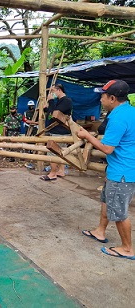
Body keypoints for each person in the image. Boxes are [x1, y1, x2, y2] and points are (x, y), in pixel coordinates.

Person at [78, 80, 135, 260]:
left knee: (119, 212)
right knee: (106, 200)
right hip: (119, 168)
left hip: (123, 172)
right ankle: (100, 231)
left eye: (102, 96)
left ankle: (127, 248)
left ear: (112, 98)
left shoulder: (118, 118)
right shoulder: (130, 111)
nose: (100, 100)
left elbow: (107, 148)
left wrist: (87, 135)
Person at [40, 84, 72, 181]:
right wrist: (46, 108)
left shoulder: (66, 101)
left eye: (53, 91)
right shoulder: (60, 101)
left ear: (59, 90)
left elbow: (55, 114)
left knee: (53, 152)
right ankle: (61, 171)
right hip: (57, 130)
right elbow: (51, 112)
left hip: (60, 131)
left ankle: (53, 173)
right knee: (60, 152)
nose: (52, 93)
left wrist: (50, 100)